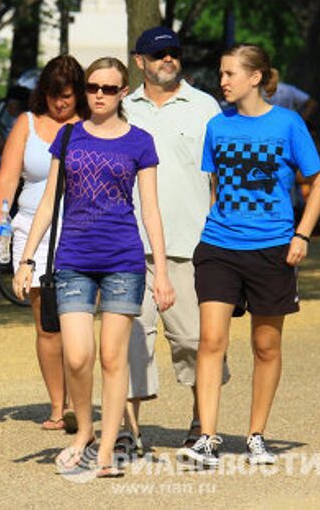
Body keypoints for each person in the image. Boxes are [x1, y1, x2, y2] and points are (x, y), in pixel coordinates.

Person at [14, 57, 174, 478]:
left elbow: (152, 212)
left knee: (111, 356)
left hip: (123, 260)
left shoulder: (140, 141)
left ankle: (106, 449)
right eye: (92, 87)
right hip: (73, 259)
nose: (99, 95)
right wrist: (26, 259)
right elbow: (48, 202)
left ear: (124, 92)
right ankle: (83, 430)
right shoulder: (68, 137)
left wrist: (162, 271)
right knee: (78, 356)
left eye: (108, 88)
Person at [177, 44, 320, 469]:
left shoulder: (288, 123)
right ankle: (207, 437)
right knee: (210, 341)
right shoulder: (217, 126)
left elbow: (318, 184)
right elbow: (214, 187)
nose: (222, 81)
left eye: (229, 74)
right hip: (219, 247)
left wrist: (302, 235)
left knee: (266, 345)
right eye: (222, 74)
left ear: (255, 77)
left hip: (273, 249)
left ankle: (256, 435)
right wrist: (211, 226)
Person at [120, 26, 227, 455]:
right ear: (139, 61)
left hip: (191, 244)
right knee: (129, 339)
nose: (168, 59)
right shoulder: (123, 108)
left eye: (173, 53)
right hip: (129, 245)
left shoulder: (205, 107)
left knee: (194, 340)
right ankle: (127, 429)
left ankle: (204, 423)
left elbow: (221, 177)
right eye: (158, 54)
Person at [0, 55, 87, 433]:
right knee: (46, 323)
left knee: (75, 319)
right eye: (52, 95)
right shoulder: (27, 124)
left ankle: (81, 398)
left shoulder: (92, 126)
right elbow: (8, 178)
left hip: (81, 228)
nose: (60, 104)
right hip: (33, 228)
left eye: (66, 96)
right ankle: (57, 405)